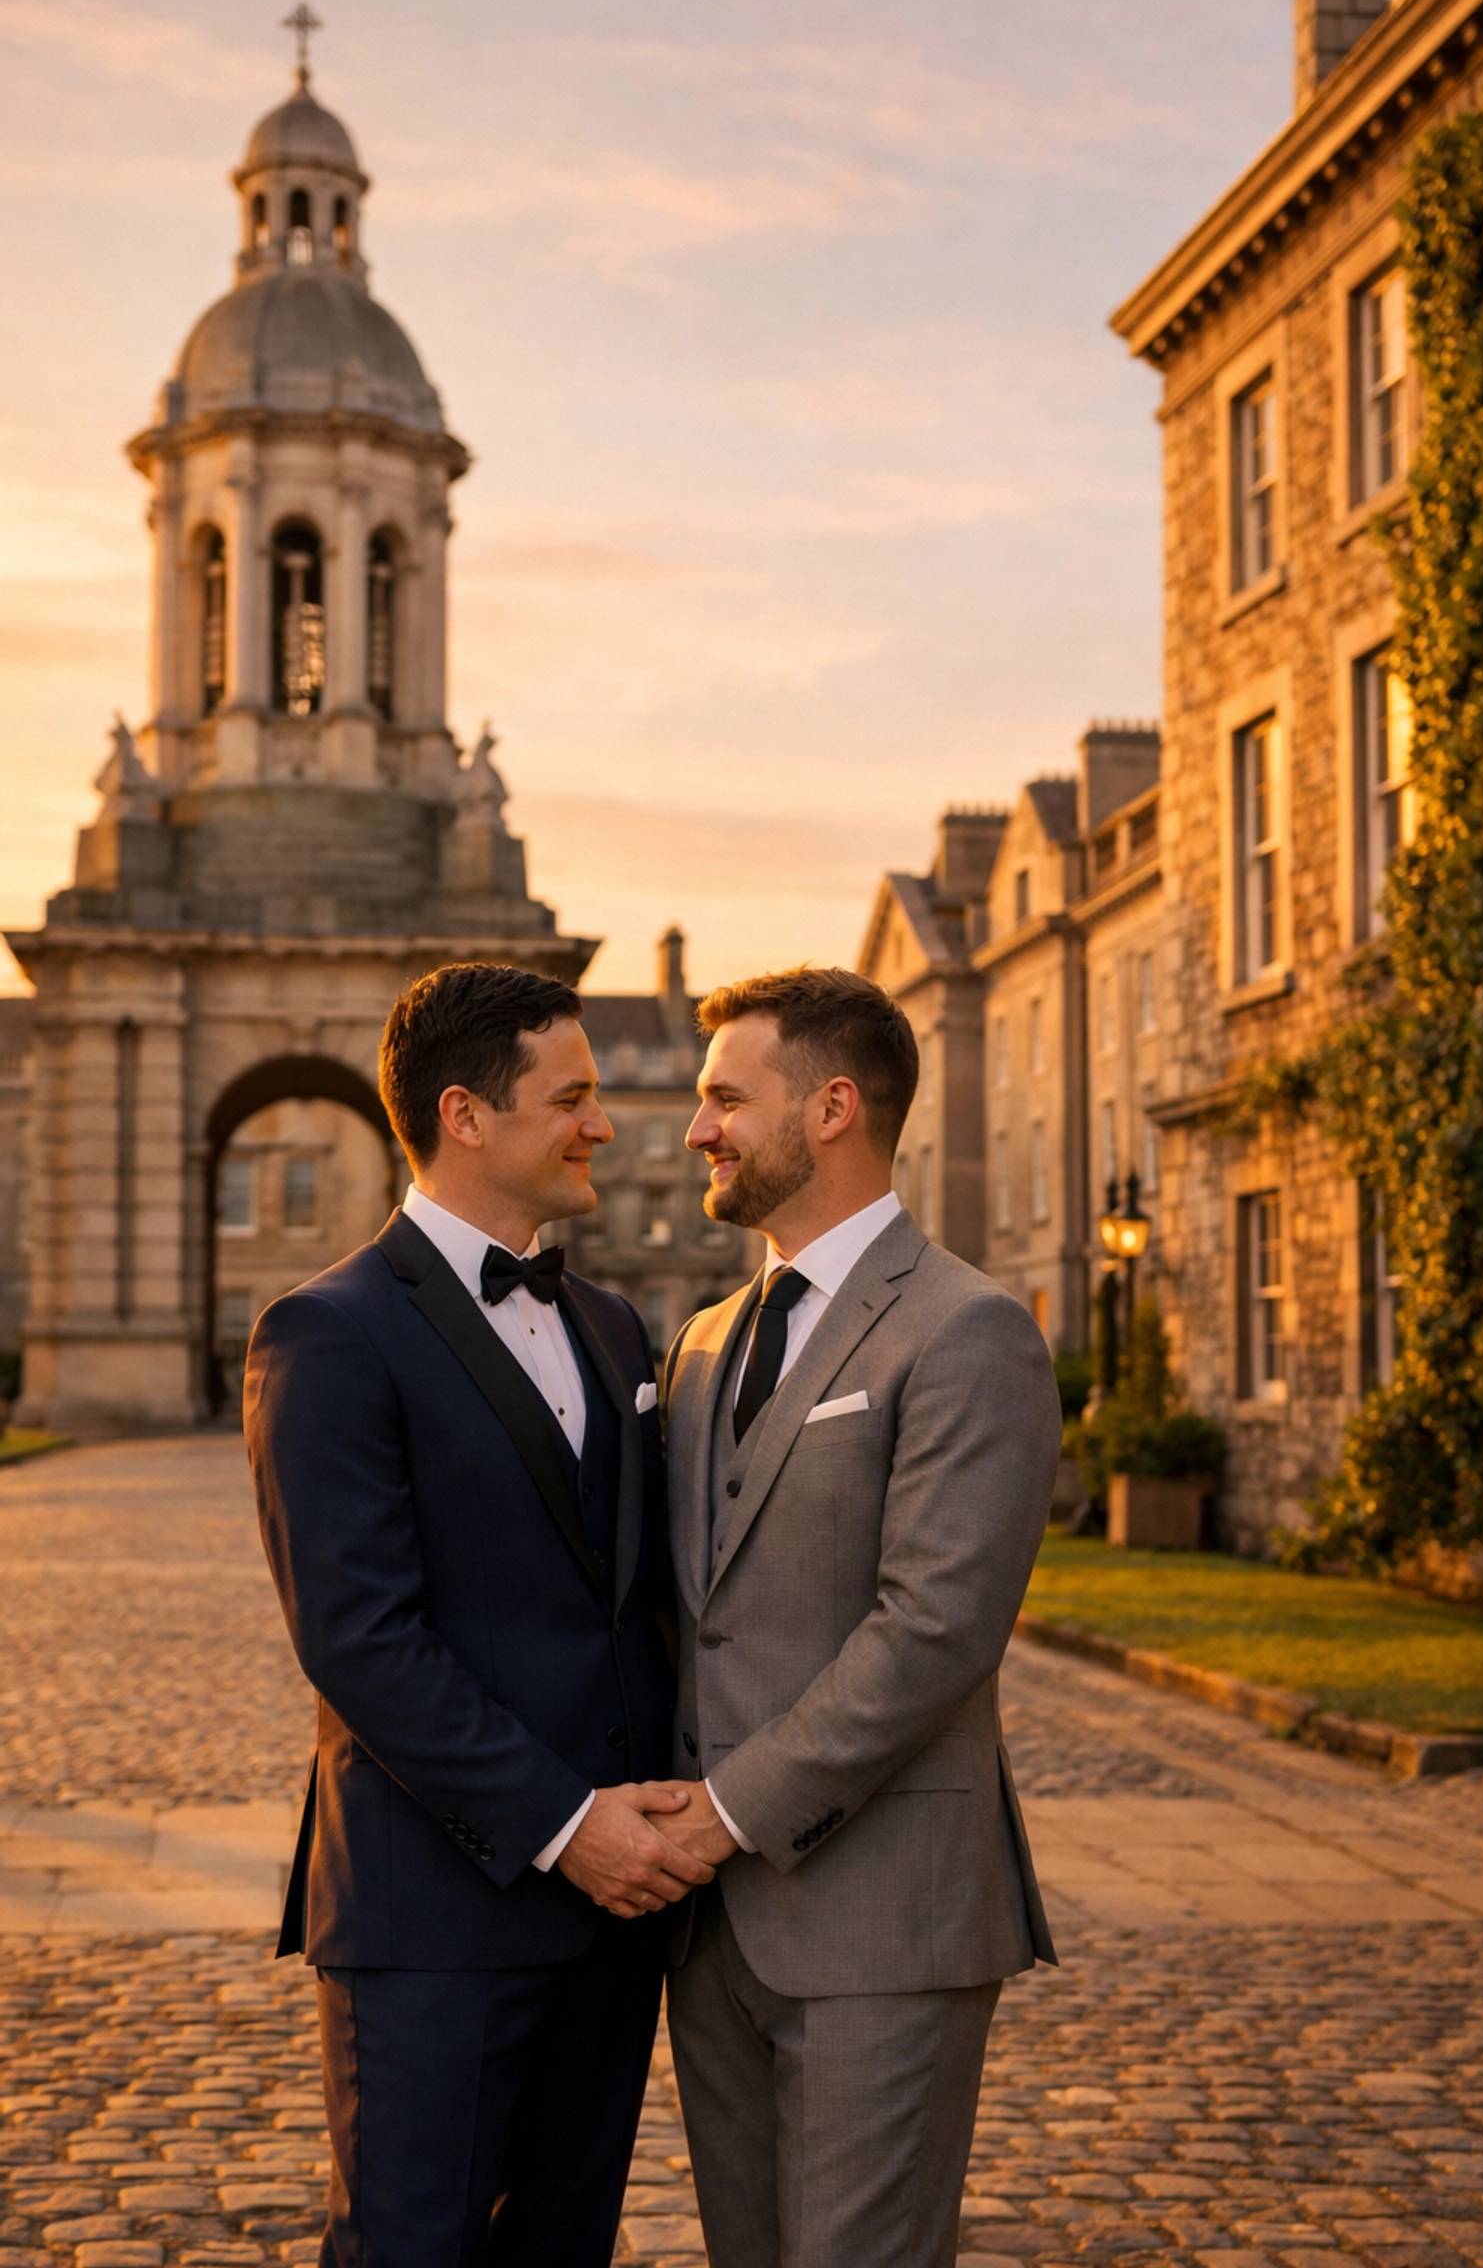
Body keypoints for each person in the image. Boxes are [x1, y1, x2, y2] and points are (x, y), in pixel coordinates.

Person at [246, 962, 713, 2268]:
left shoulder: (616, 1328)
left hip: (615, 1922)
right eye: (573, 1097)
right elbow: (360, 1641)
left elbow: (635, 1608)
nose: (605, 1126)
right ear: (466, 1113)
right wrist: (571, 1829)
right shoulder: (326, 1333)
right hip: (434, 1918)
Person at [656, 965, 1061, 2268]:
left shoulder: (969, 1329)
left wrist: (722, 1814)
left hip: (885, 1921)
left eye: (726, 1096)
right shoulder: (706, 1337)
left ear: (832, 1108)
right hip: (711, 1935)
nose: (697, 1128)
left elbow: (935, 1629)